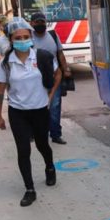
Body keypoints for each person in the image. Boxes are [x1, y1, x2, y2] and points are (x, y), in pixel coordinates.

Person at [0, 17, 61, 207]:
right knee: (23, 149)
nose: (22, 40)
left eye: (25, 36)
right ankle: (29, 189)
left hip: (40, 110)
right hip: (18, 113)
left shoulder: (42, 57)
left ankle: (49, 166)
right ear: (11, 40)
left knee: (42, 145)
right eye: (18, 38)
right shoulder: (6, 63)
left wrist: (51, 95)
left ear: (30, 36)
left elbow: (58, 74)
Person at [30, 12, 71, 145]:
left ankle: (55, 134)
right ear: (32, 23)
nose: (40, 24)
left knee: (54, 106)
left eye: (42, 22)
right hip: (34, 78)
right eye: (37, 22)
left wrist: (66, 69)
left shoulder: (53, 35)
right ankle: (35, 133)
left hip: (54, 77)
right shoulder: (28, 37)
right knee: (35, 107)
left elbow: (60, 54)